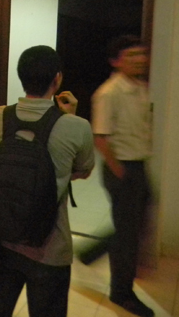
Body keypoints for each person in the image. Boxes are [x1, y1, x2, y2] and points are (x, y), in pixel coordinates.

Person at [0, 45, 95, 317]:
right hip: (50, 248)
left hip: (2, 237)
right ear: (57, 79)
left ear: (21, 77)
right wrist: (69, 115)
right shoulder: (76, 126)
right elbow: (83, 170)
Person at [92, 35, 154, 317]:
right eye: (131, 56)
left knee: (137, 221)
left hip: (139, 164)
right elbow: (101, 138)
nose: (140, 60)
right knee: (128, 235)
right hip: (123, 168)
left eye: (141, 54)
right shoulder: (108, 93)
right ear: (116, 61)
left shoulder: (141, 87)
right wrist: (121, 173)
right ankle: (121, 294)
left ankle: (97, 249)